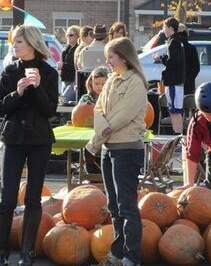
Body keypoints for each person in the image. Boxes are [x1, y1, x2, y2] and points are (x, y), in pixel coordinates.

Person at [0, 25, 59, 266]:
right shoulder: (10, 71)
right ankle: (0, 252)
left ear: (31, 43)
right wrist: (17, 93)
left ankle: (26, 253)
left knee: (32, 198)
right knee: (7, 198)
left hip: (39, 140)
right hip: (13, 138)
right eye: (14, 42)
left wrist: (38, 88)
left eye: (19, 42)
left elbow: (50, 111)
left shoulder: (49, 73)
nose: (15, 46)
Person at [86, 37, 148, 266]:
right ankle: (118, 251)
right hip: (108, 148)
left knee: (126, 205)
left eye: (111, 57)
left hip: (127, 150)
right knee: (113, 204)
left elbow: (121, 117)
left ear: (123, 56)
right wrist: (101, 134)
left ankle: (132, 257)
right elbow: (98, 110)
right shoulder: (111, 80)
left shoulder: (136, 83)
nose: (108, 62)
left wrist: (101, 130)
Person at [155, 17, 185, 134]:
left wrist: (162, 58)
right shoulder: (177, 41)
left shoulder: (174, 42)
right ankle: (177, 132)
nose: (163, 30)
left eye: (164, 27)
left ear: (171, 28)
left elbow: (173, 62)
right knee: (175, 109)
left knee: (175, 110)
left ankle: (177, 134)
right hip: (177, 81)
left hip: (174, 81)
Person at [77, 66, 109, 174]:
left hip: (106, 133)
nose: (100, 87)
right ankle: (91, 176)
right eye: (97, 84)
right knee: (90, 158)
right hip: (89, 135)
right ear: (91, 83)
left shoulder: (111, 99)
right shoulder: (87, 98)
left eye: (103, 84)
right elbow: (79, 114)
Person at [58, 25, 80, 102]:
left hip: (73, 80)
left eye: (71, 35)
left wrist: (63, 65)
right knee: (62, 102)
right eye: (67, 35)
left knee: (65, 100)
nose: (68, 37)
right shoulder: (66, 49)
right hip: (65, 79)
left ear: (78, 36)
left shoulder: (78, 49)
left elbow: (77, 66)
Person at [177, 23, 200, 95]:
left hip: (175, 82)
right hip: (188, 85)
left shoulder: (173, 47)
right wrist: (190, 79)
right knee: (187, 103)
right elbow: (196, 67)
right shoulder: (192, 48)